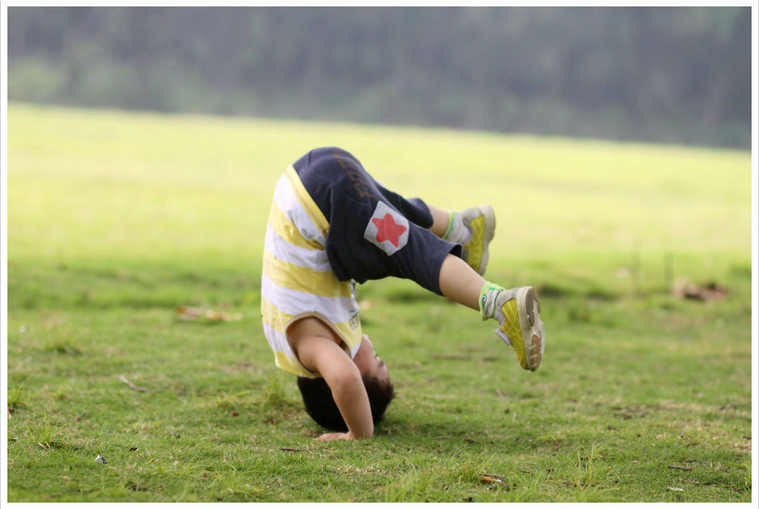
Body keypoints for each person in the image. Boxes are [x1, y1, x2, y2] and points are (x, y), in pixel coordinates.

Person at [261, 147, 545, 441]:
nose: (373, 347)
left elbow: (345, 379)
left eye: (379, 362)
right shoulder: (293, 329)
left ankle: (501, 305)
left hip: (319, 202)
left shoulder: (311, 349)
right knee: (387, 229)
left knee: (410, 252)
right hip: (311, 172)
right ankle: (460, 228)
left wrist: (357, 433)